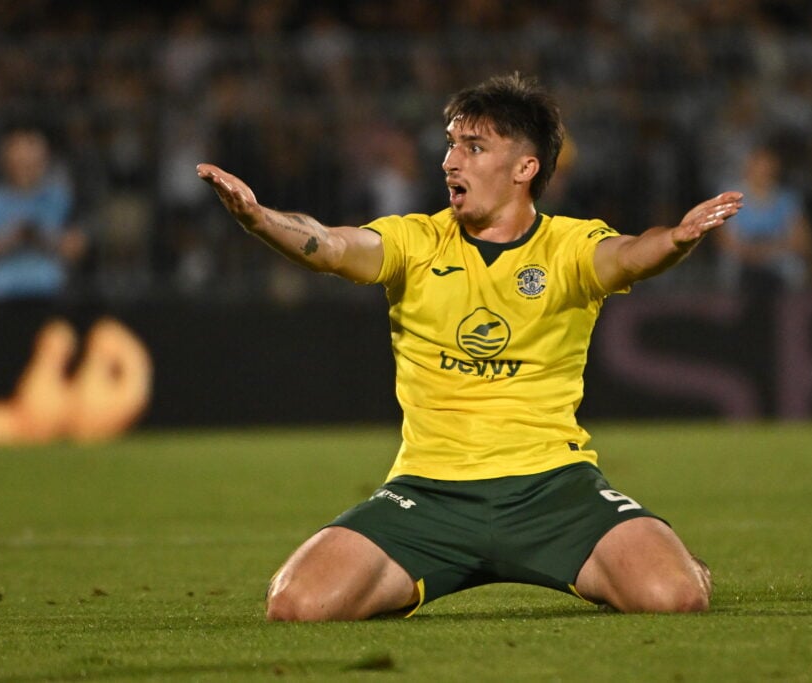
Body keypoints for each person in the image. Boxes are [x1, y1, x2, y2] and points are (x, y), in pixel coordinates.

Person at [198, 73, 742, 621]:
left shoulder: (570, 246)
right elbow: (333, 246)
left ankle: (679, 560)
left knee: (676, 597)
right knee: (295, 606)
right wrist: (260, 219)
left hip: (552, 489)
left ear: (524, 169)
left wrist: (674, 241)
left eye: (473, 147)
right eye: (452, 144)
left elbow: (629, 255)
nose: (449, 161)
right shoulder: (416, 241)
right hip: (429, 495)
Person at [0, 126, 87, 301]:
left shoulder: (61, 198)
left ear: (44, 161)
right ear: (6, 163)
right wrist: (10, 238)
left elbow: (76, 248)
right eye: (19, 164)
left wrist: (40, 236)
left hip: (52, 294)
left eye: (31, 164)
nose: (25, 169)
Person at [714, 143, 812, 294]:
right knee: (730, 267)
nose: (763, 172)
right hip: (742, 258)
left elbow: (802, 241)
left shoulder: (787, 199)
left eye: (768, 167)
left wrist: (769, 250)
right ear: (748, 167)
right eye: (759, 166)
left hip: (777, 257)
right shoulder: (730, 198)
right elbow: (725, 241)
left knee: (793, 268)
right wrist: (752, 253)